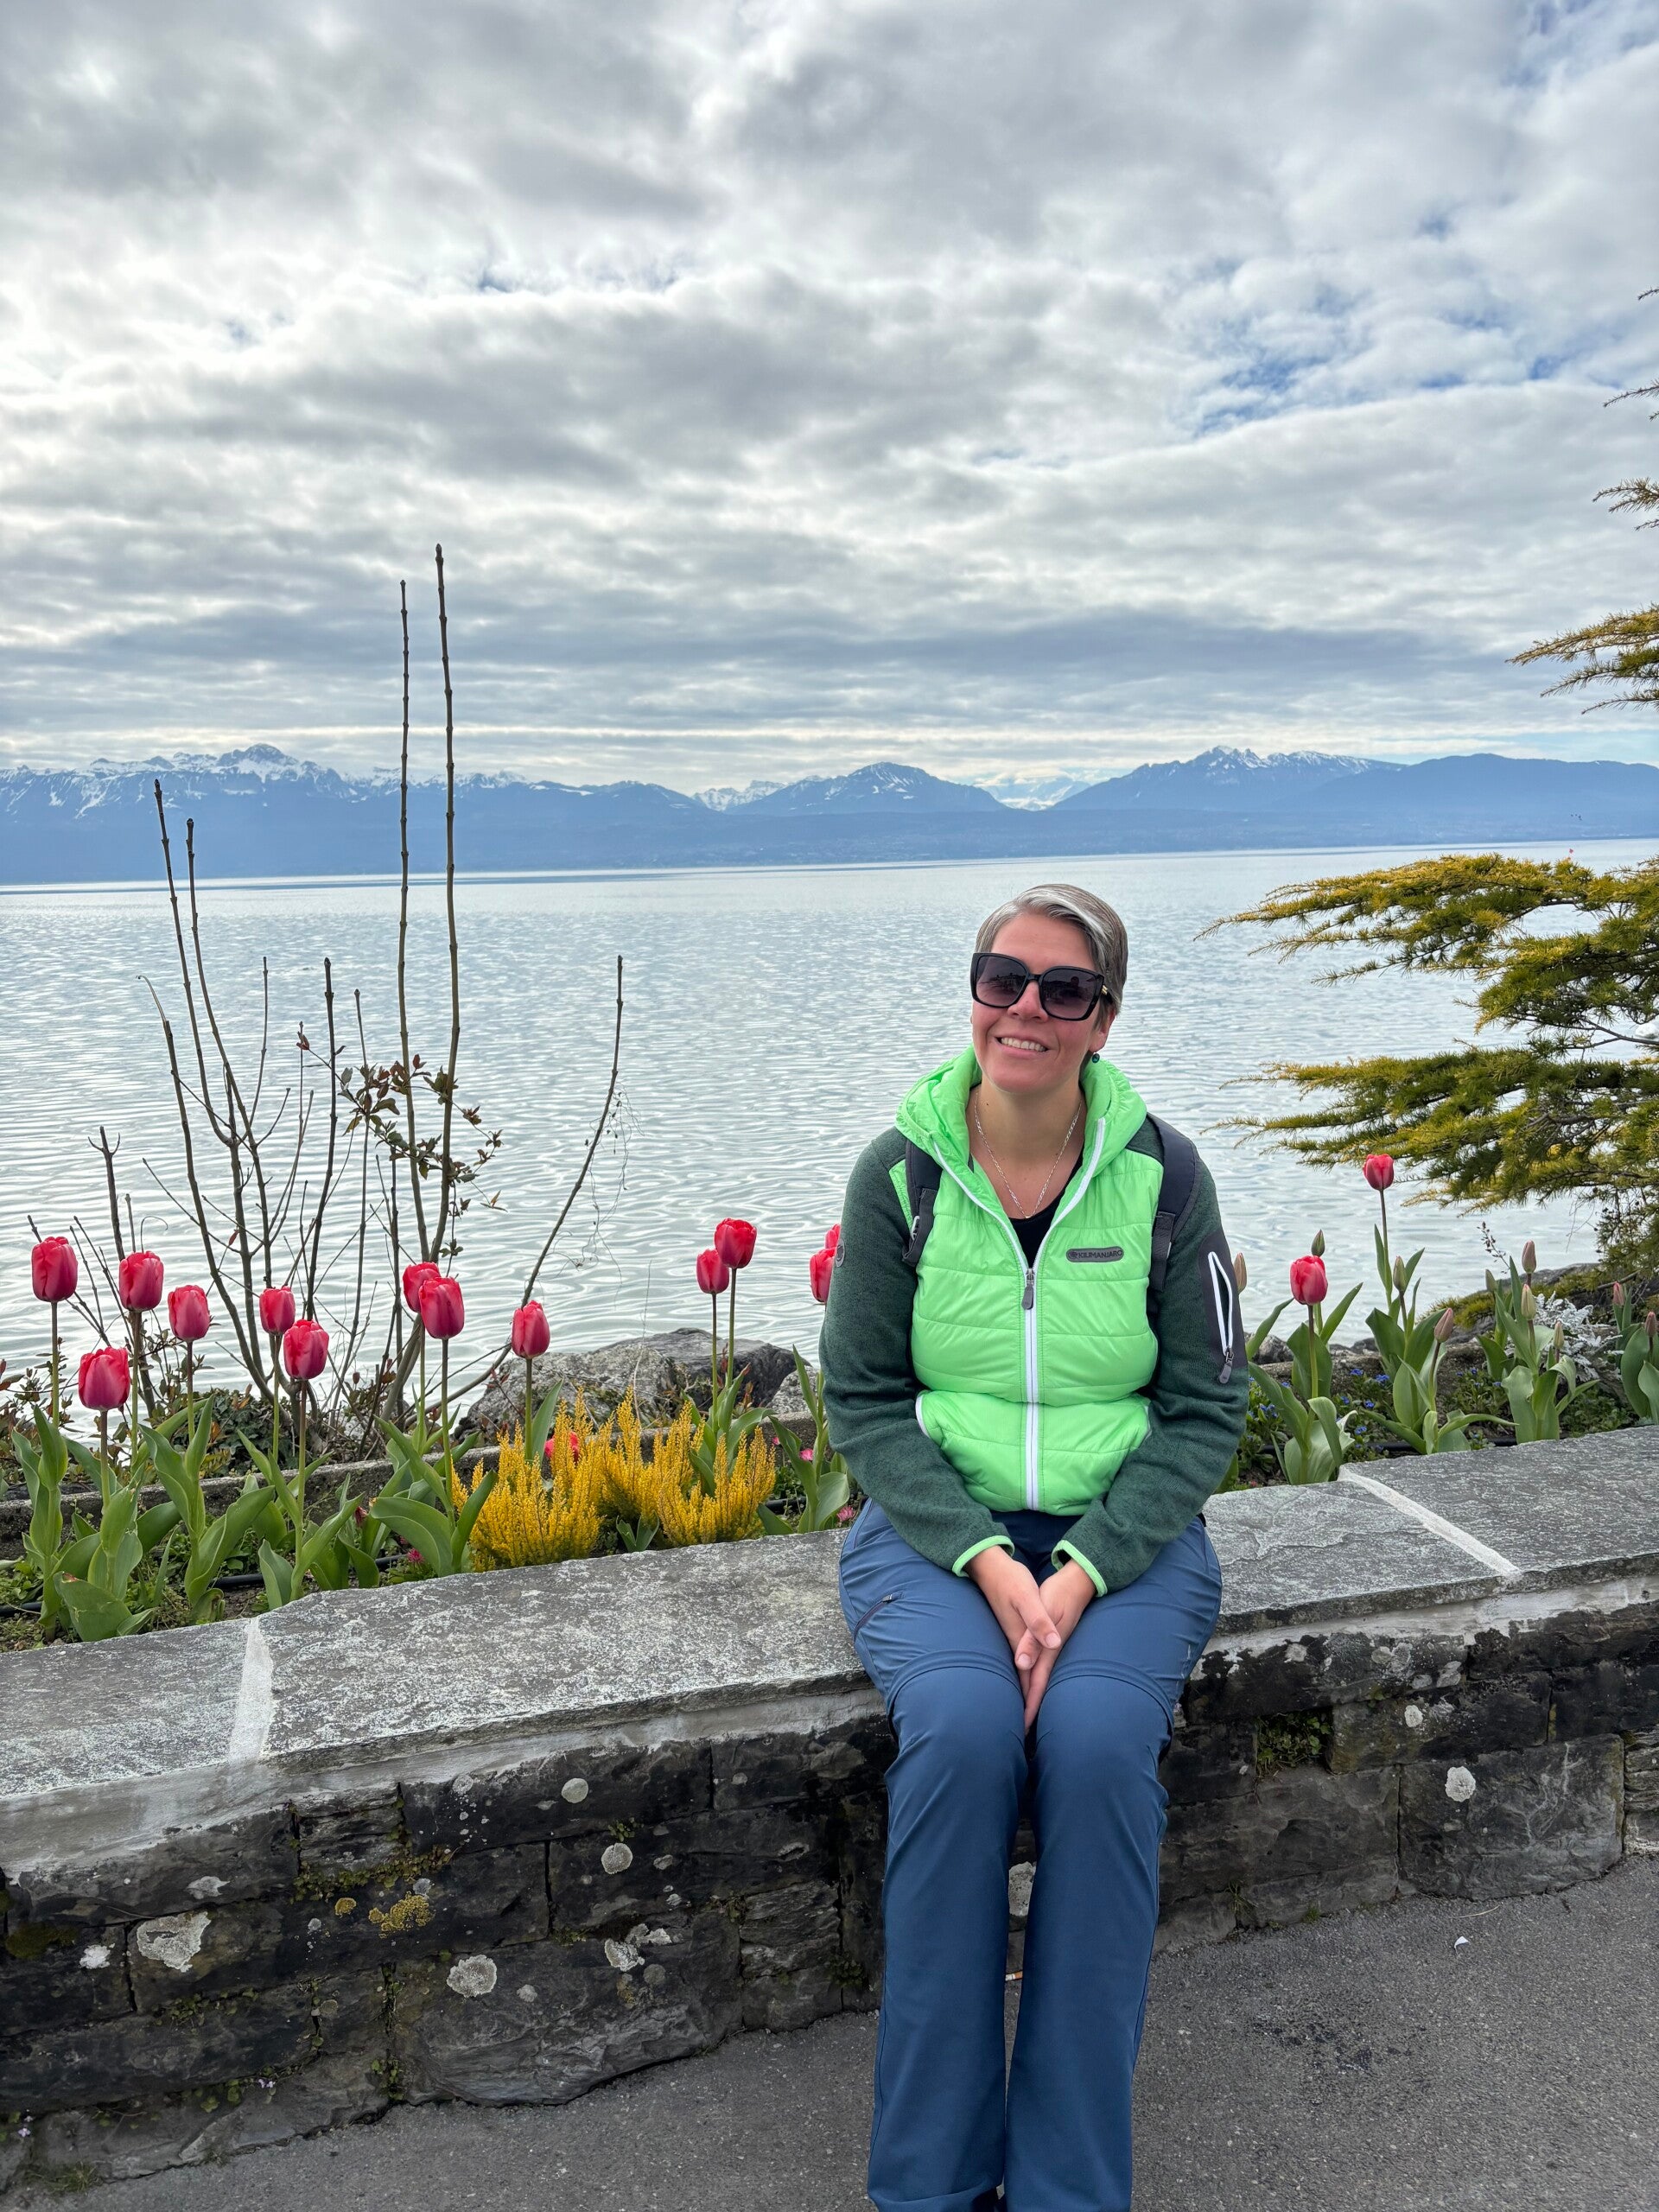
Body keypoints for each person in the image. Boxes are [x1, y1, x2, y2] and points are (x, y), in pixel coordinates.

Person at [820, 881, 1248, 2212]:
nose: (1026, 1008)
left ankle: (1068, 2186)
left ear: (1103, 1020)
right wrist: (996, 1566)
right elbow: (865, 1404)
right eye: (1003, 978)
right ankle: (929, 2185)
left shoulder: (1167, 1178)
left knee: (1100, 1747)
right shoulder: (898, 1176)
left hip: (1125, 1547)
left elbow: (1207, 1409)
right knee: (959, 1737)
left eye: (1065, 989)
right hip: (934, 1541)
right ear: (975, 991)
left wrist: (1080, 1572)